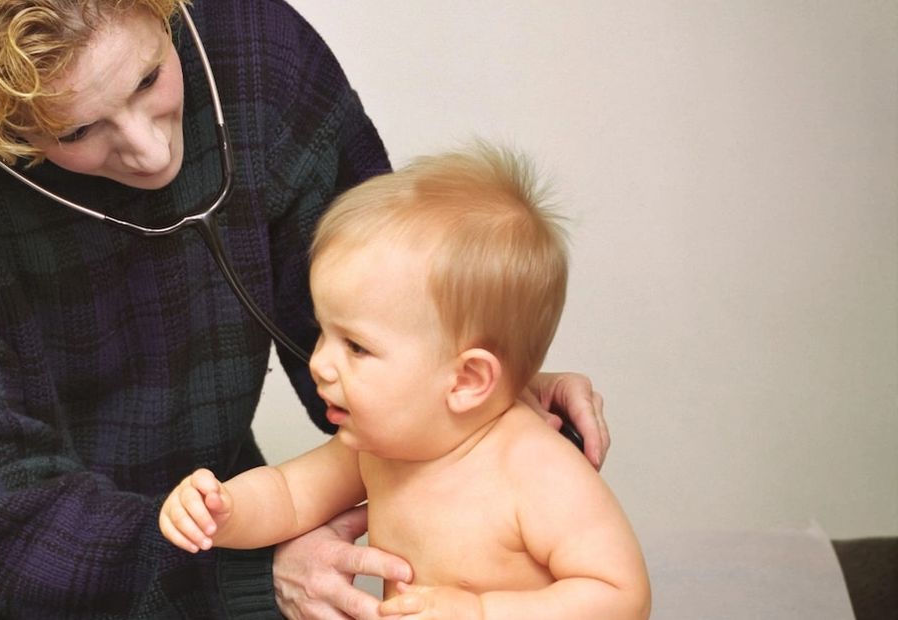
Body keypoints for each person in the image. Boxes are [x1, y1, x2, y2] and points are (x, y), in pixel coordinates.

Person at [0, 0, 611, 616]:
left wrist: (481, 398)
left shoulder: (258, 53)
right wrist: (239, 572)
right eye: (76, 128)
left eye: (151, 79)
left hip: (199, 531)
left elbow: (389, 301)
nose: (152, 152)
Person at [161, 142, 650, 619]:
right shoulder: (377, 448)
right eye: (322, 332)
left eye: (356, 346)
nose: (319, 364)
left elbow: (621, 595)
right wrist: (221, 512)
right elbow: (287, 498)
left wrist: (482, 611)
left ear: (466, 380)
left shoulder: (535, 469)